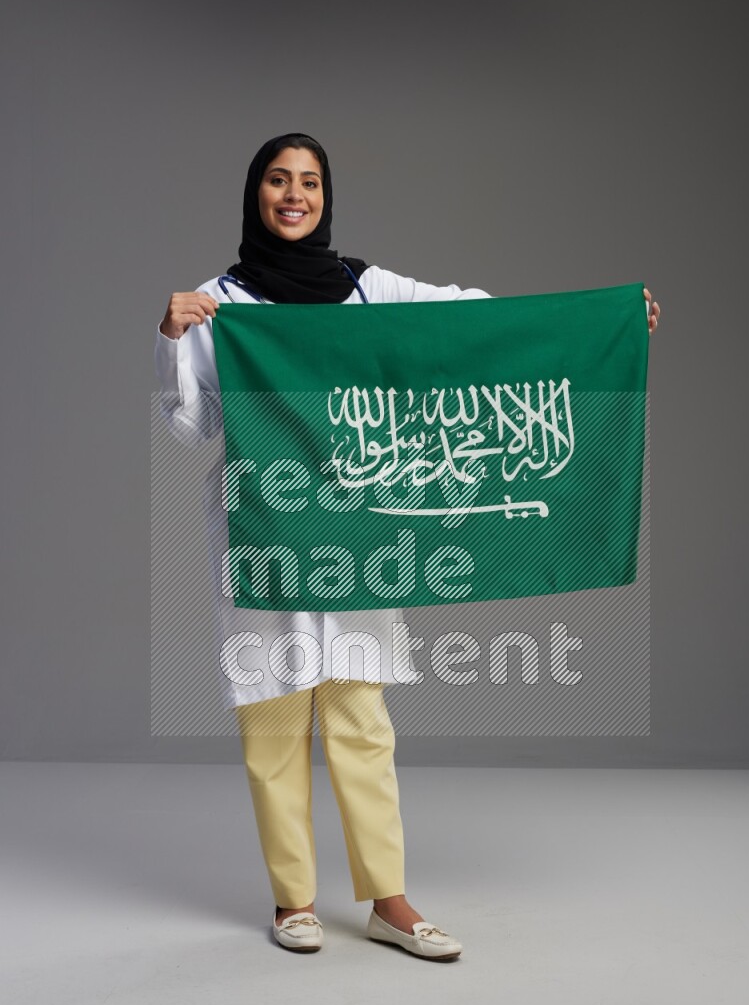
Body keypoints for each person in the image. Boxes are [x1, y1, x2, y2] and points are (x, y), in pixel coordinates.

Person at [155, 132, 660, 960]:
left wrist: (602, 321)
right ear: (255, 194)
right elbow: (191, 426)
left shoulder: (364, 287)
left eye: (309, 182)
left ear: (325, 195)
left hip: (358, 529)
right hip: (270, 528)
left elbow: (470, 320)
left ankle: (389, 899)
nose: (294, 195)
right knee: (273, 721)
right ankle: (293, 903)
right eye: (278, 181)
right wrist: (172, 334)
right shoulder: (223, 303)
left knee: (361, 717)